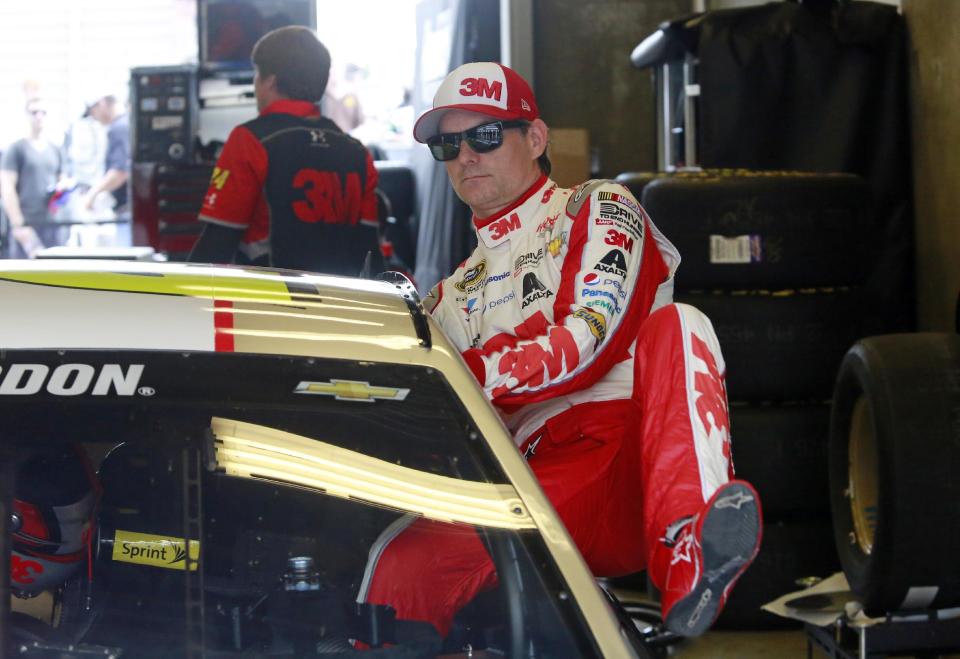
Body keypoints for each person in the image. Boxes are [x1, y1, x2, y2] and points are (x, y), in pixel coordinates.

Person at [357, 62, 763, 639]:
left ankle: (688, 542)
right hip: (531, 476)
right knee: (398, 562)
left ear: (536, 138)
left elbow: (586, 337)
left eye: (486, 135)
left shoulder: (597, 208)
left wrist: (460, 372)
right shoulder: (450, 293)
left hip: (630, 460)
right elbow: (409, 396)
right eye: (449, 144)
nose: (465, 155)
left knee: (679, 323)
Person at [188, 26, 382, 276]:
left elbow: (218, 241)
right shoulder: (357, 153)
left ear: (270, 80)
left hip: (269, 303)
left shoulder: (249, 140)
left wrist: (177, 300)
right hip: (340, 305)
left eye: (256, 75)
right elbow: (371, 252)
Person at [1, 97, 65, 257]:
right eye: (34, 112)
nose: (39, 116)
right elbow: (7, 187)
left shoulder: (55, 150)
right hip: (27, 223)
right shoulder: (16, 149)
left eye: (43, 112)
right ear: (26, 115)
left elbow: (62, 182)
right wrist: (18, 224)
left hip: (53, 224)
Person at [82, 92, 130, 215]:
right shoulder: (126, 124)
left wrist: (92, 194)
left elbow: (120, 172)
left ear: (102, 104)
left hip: (128, 209)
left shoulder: (119, 128)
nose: (94, 118)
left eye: (93, 112)